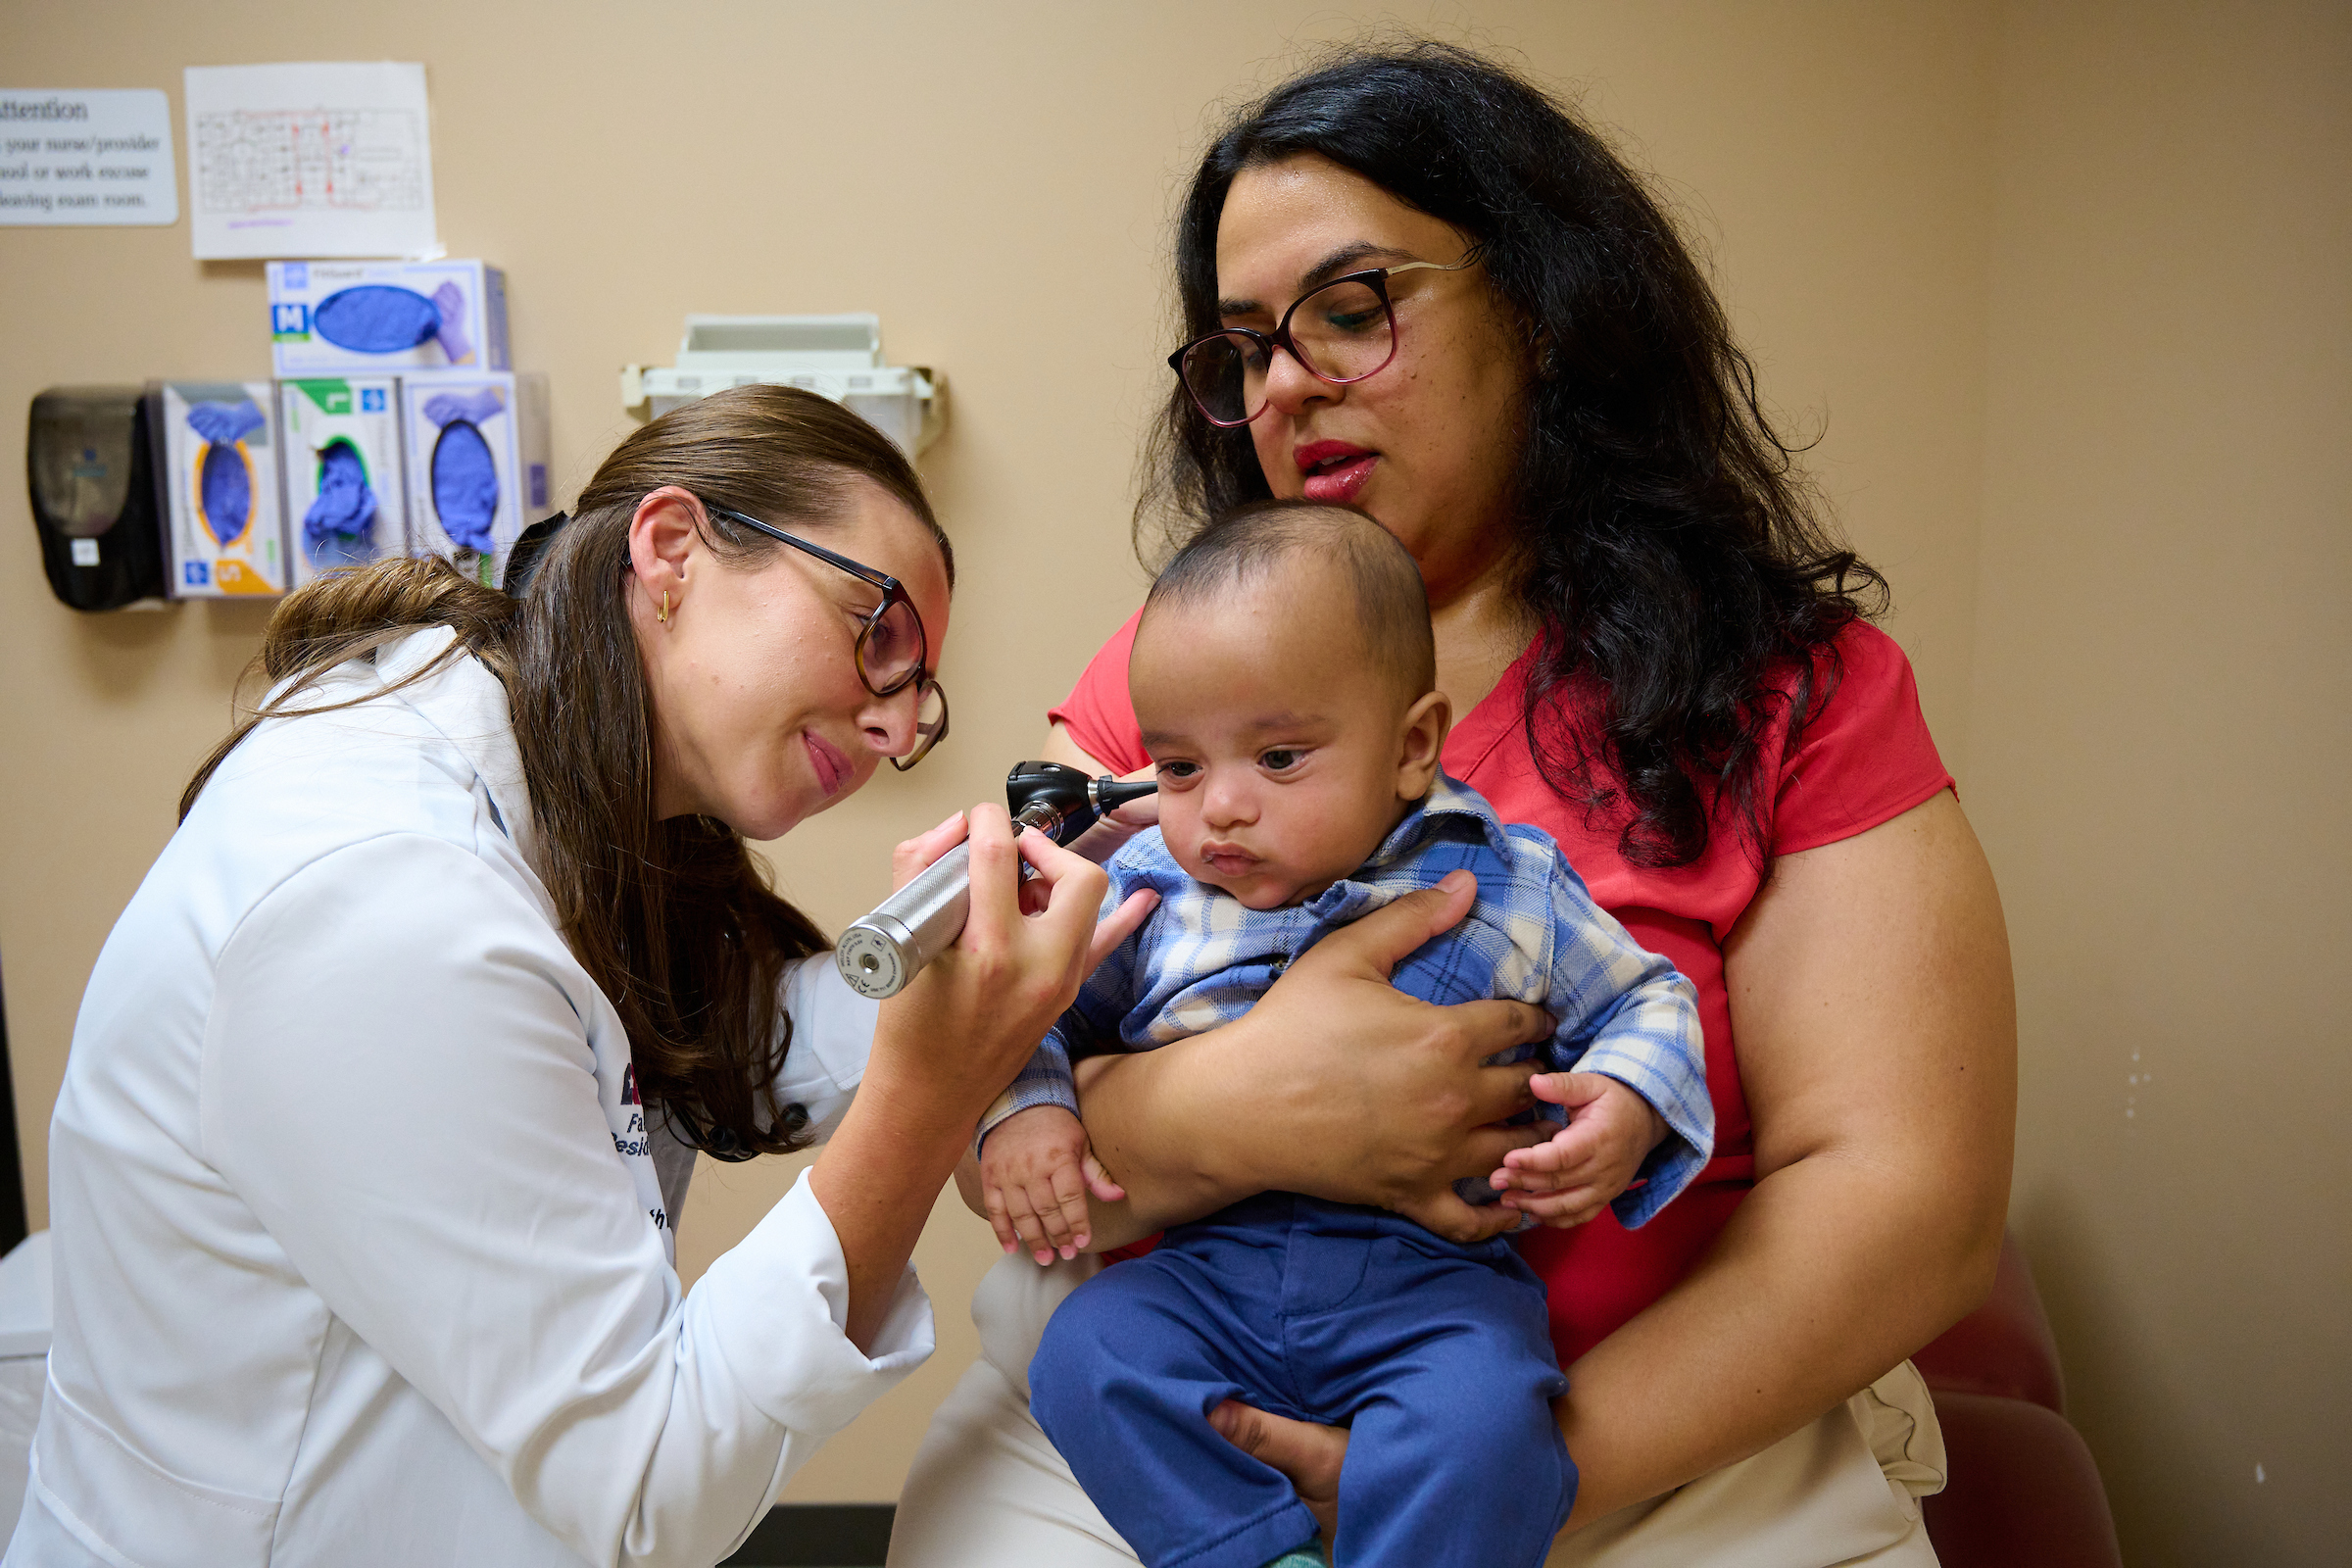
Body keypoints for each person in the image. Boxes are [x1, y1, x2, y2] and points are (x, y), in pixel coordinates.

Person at [888, 42, 2014, 1568]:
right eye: (1245, 349)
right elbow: (984, 1113)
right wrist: (1248, 1101)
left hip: (1649, 1462)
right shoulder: (1162, 700)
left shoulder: (1796, 696)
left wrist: (1484, 1478)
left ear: (1546, 311)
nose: (1286, 384)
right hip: (1166, 1424)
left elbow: (1908, 1200)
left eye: (1351, 314)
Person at [11, 386, 1148, 1568]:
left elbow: (752, 1040)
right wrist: (929, 1098)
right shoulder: (387, 896)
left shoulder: (554, 779)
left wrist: (973, 964)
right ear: (670, 550)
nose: (892, 725)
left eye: (920, 701)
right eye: (882, 637)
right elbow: (650, 1488)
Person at [978, 501, 1710, 1568]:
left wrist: (1630, 1108)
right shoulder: (1148, 895)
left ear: (1413, 745)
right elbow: (1030, 1014)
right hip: (1207, 1275)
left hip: (1431, 1288)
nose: (1219, 808)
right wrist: (1032, 1113)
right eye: (1179, 768)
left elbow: (1648, 1001)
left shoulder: (1511, 886)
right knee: (1087, 1353)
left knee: (1491, 1418)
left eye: (1277, 757)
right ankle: (1253, 1551)